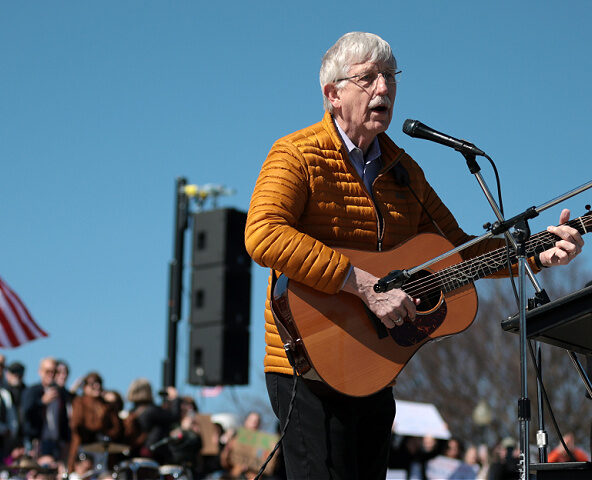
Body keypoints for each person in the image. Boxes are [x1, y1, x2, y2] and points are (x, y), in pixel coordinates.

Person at [244, 31, 585, 479]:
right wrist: (363, 285)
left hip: (374, 364)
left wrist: (539, 251)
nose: (383, 88)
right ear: (332, 94)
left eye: (389, 77)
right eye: (367, 78)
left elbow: (460, 250)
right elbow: (263, 234)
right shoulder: (296, 154)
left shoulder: (404, 170)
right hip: (307, 365)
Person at [67, 372, 122, 473]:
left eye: (99, 383)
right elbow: (77, 424)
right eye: (92, 384)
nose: (97, 386)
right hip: (84, 448)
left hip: (103, 449)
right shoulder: (80, 402)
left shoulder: (106, 405)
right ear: (85, 387)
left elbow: (116, 429)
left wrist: (111, 405)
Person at [21, 357, 71, 459]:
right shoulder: (32, 391)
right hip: (37, 442)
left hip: (56, 443)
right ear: (40, 372)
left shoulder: (61, 394)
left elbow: (64, 421)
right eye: (47, 371)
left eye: (54, 371)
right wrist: (42, 402)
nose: (51, 374)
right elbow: (25, 413)